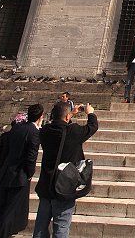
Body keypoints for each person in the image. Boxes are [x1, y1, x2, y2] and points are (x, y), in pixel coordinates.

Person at [0, 104, 45, 238]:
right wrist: (29, 174)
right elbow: (31, 157)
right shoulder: (34, 133)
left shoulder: (15, 130)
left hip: (5, 173)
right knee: (10, 210)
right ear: (40, 117)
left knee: (1, 207)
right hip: (19, 176)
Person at [33, 101, 98, 238]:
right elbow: (92, 126)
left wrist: (70, 113)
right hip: (64, 185)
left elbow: (57, 124)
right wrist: (90, 113)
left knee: (40, 226)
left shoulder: (45, 132)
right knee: (61, 226)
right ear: (68, 117)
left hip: (46, 185)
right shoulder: (73, 131)